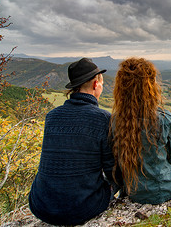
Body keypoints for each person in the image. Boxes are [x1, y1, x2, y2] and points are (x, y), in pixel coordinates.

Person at [29, 58, 120, 225]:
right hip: (82, 208)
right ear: (95, 85)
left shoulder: (52, 116)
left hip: (40, 205)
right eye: (101, 83)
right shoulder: (103, 119)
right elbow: (112, 170)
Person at [110, 57, 171, 205]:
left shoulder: (115, 120)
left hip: (132, 191)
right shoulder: (163, 118)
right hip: (163, 189)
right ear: (149, 86)